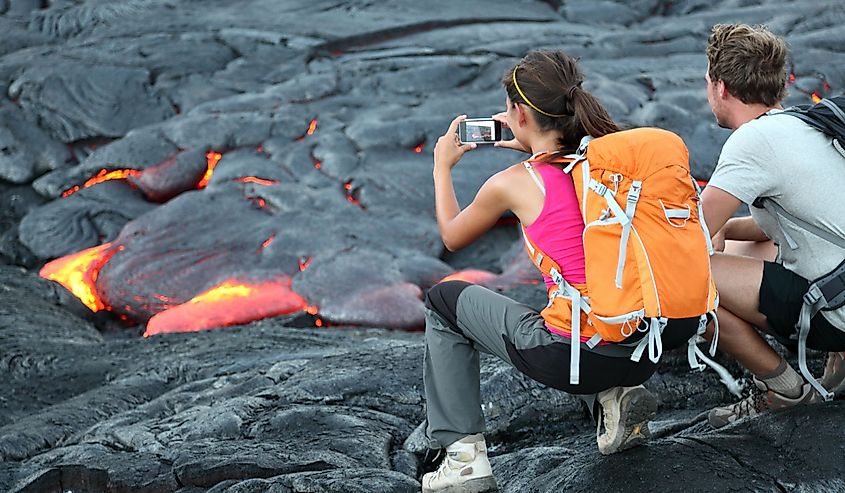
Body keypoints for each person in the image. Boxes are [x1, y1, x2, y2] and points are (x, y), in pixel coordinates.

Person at [421, 50, 708, 493]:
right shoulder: (607, 166)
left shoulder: (513, 183)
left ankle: (463, 458)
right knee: (591, 290)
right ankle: (614, 399)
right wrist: (528, 135)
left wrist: (442, 167)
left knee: (444, 300)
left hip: (577, 359)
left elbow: (453, 236)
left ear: (518, 113)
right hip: (645, 347)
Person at [699, 23, 845, 429]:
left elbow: (686, 235)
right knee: (743, 251)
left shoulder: (752, 143)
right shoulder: (798, 124)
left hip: (837, 311)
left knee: (683, 278)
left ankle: (786, 390)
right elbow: (781, 226)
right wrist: (726, 230)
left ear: (721, 87)